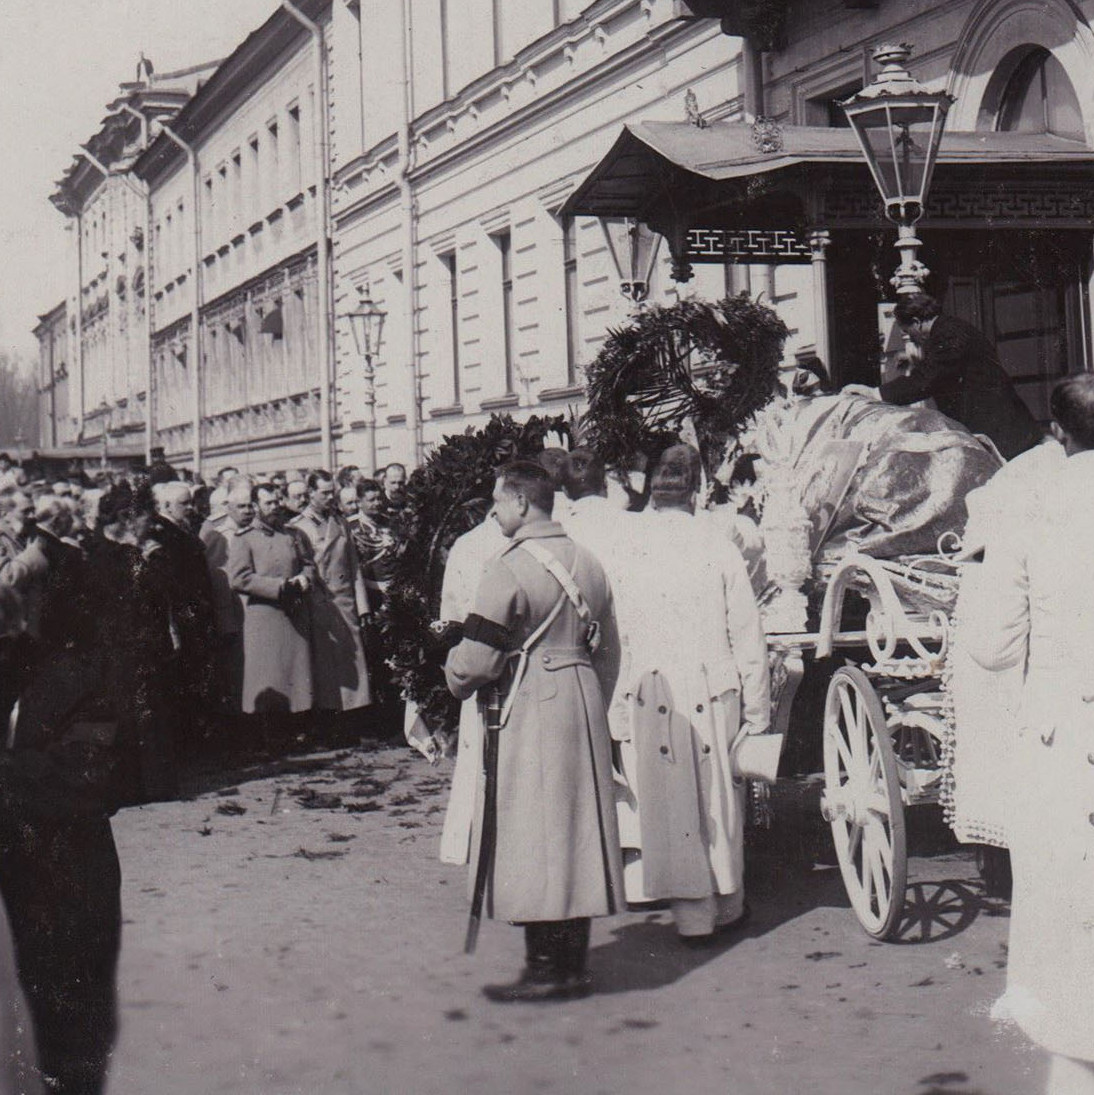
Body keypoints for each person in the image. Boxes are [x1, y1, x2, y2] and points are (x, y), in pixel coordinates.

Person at [444, 460, 623, 1002]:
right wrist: (591, 694)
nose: (495, 511)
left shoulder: (508, 567)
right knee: (576, 829)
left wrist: (450, 676)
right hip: (582, 694)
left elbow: (475, 661)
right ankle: (571, 963)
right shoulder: (588, 561)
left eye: (499, 501)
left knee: (534, 832)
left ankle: (547, 970)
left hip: (530, 701)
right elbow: (610, 650)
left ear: (523, 503)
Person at [963, 374, 1094, 1095]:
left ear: (1057, 432)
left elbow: (991, 646)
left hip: (1067, 734)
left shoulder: (1032, 502)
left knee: (1070, 912)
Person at [608, 444, 771, 939]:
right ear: (697, 487)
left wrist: (616, 711)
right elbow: (747, 631)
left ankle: (693, 917)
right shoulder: (716, 542)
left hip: (649, 687)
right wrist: (758, 710)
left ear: (652, 485)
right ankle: (728, 903)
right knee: (718, 799)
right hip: (711, 685)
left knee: (668, 803)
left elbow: (617, 636)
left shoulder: (626, 544)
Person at [877, 293, 1043, 459]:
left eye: (907, 332)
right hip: (1002, 422)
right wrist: (919, 361)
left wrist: (878, 394)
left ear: (916, 322)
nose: (910, 337)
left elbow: (927, 380)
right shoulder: (949, 327)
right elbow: (951, 366)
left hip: (1000, 428)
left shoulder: (947, 334)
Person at [227, 483, 314, 730]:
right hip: (264, 617)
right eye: (268, 503)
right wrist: (278, 587)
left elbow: (308, 564)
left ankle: (297, 730)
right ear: (255, 506)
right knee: (267, 676)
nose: (274, 507)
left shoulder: (293, 535)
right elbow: (239, 578)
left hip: (293, 614)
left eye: (277, 501)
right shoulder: (244, 539)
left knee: (295, 675)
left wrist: (305, 578)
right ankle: (269, 734)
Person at [289, 472, 371, 719]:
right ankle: (326, 718)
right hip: (316, 601)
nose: (329, 497)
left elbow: (353, 566)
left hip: (343, 599)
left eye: (331, 492)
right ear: (311, 493)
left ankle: (352, 717)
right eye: (324, 493)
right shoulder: (296, 526)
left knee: (350, 660)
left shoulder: (341, 522)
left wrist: (363, 606)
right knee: (322, 662)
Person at [149, 482, 218, 752]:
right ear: (167, 506)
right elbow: (173, 582)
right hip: (183, 615)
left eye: (191, 502)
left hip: (194, 613)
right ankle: (188, 743)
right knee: (184, 680)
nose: (191, 508)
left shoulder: (181, 528)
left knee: (194, 677)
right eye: (184, 504)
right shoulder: (163, 533)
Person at [200, 484, 253, 717]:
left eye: (251, 505)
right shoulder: (220, 536)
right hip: (234, 615)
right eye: (241, 506)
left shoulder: (257, 531)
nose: (248, 511)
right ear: (228, 509)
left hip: (256, 614)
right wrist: (225, 619)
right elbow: (216, 581)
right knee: (236, 676)